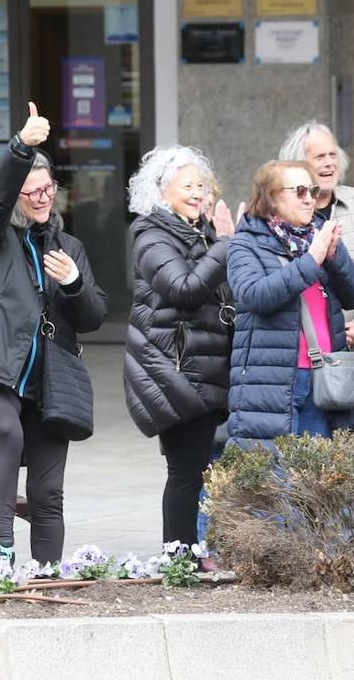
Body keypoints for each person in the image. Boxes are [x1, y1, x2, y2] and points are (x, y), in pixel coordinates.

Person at [0, 103, 107, 565]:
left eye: (49, 189)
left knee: (47, 490)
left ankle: (48, 572)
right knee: (5, 431)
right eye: (31, 192)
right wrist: (20, 148)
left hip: (51, 381)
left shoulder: (69, 247)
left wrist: (74, 285)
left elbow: (95, 315)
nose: (43, 199)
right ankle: (1, 549)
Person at [123, 146, 235, 551]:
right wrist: (225, 245)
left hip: (202, 369)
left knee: (201, 469)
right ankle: (179, 557)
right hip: (174, 371)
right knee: (186, 473)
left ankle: (195, 552)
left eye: (201, 185)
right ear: (161, 192)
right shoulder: (151, 234)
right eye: (187, 185)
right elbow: (183, 289)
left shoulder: (198, 233)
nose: (198, 193)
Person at [226, 159, 354, 447]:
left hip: (326, 376)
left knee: (316, 478)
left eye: (313, 191)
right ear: (271, 197)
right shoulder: (246, 243)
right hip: (274, 379)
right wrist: (312, 260)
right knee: (278, 478)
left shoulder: (318, 236)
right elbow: (255, 295)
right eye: (300, 191)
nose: (310, 200)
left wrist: (334, 258)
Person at [279, 122, 354, 407]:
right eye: (319, 157)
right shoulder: (281, 212)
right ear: (298, 164)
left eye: (332, 155)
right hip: (301, 355)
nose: (329, 163)